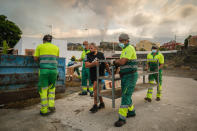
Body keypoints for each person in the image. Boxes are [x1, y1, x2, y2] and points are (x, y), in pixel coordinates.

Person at [113, 33, 138, 127]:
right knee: (127, 94)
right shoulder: (124, 50)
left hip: (130, 76)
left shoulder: (129, 48)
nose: (120, 43)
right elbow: (122, 63)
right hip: (125, 76)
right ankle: (131, 112)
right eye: (119, 41)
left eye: (121, 41)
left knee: (125, 96)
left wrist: (115, 62)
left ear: (127, 41)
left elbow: (122, 61)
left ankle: (122, 118)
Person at [34, 34, 59, 116]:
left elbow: (35, 58)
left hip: (44, 71)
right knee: (52, 88)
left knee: (43, 89)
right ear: (50, 40)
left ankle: (44, 110)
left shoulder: (40, 46)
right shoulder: (56, 48)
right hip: (54, 71)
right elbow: (56, 58)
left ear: (44, 40)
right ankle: (51, 106)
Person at [85, 43, 111, 113]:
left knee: (94, 88)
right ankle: (102, 103)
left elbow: (106, 64)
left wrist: (110, 73)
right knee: (97, 90)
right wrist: (94, 64)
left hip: (100, 74)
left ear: (95, 48)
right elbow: (86, 65)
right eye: (89, 48)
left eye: (91, 48)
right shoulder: (87, 55)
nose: (90, 49)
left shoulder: (101, 54)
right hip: (93, 74)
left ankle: (95, 105)